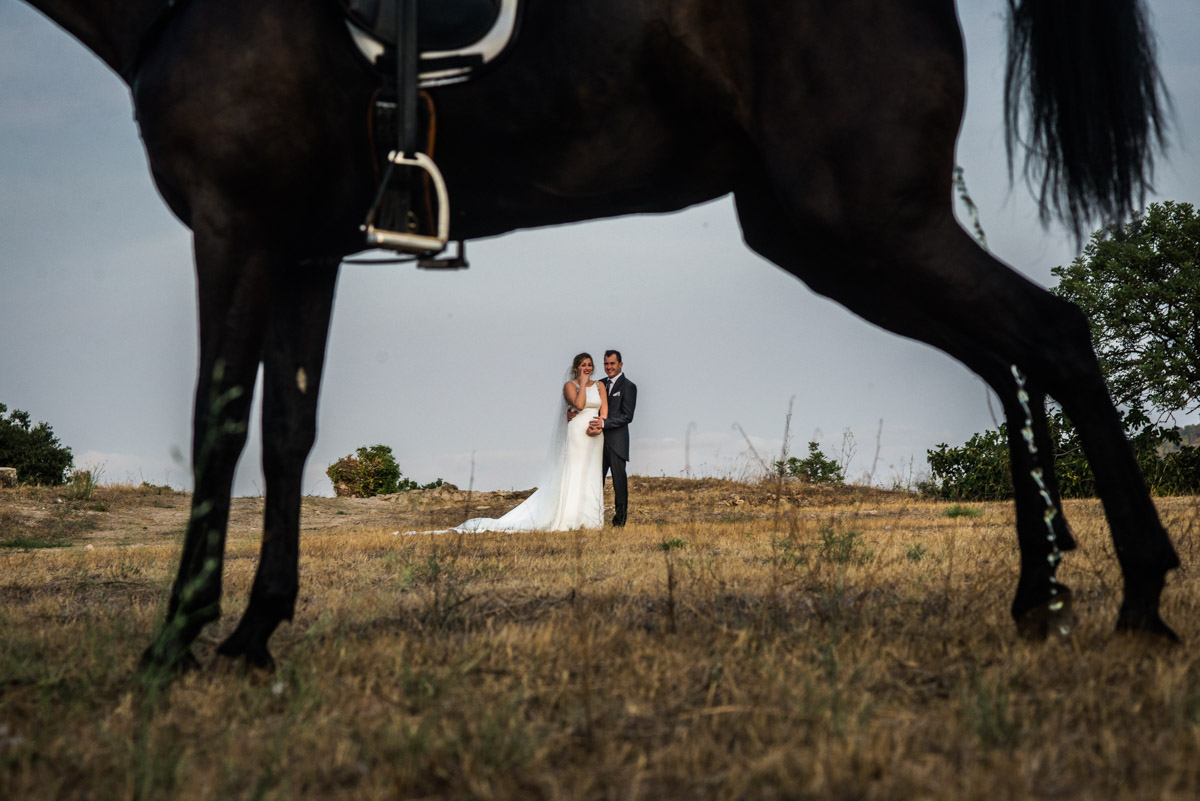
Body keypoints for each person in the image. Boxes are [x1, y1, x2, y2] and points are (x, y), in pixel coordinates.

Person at [453, 353, 608, 532]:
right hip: (577, 435)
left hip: (596, 434)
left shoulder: (599, 385)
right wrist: (582, 382)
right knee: (575, 472)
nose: (587, 368)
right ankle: (571, 518)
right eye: (583, 365)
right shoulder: (569, 386)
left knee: (591, 473)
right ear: (576, 368)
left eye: (589, 365)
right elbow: (579, 405)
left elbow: (604, 408)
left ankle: (591, 520)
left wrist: (600, 425)